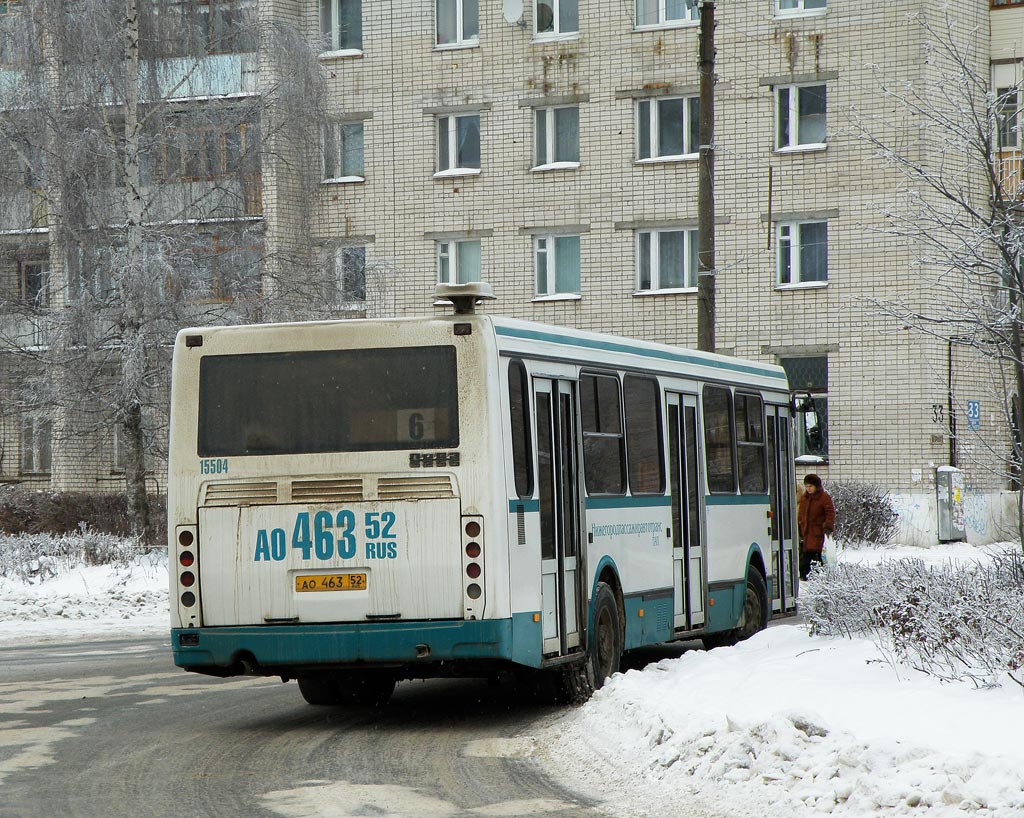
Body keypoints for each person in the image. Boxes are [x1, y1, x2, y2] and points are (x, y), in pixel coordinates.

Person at [797, 473, 835, 581]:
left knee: (815, 555)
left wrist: (827, 526)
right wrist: (800, 524)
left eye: (810, 486)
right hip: (806, 532)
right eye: (807, 486)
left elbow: (830, 513)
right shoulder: (805, 498)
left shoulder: (823, 498)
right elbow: (801, 513)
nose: (808, 489)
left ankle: (817, 576)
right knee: (805, 555)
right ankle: (805, 576)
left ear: (816, 486)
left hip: (818, 532)